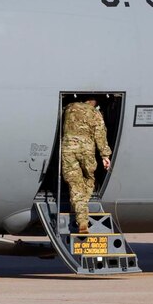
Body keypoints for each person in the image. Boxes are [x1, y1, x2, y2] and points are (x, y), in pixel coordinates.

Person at [61, 96, 112, 234]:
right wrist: (105, 156)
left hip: (68, 148)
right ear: (94, 103)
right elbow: (100, 134)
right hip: (87, 149)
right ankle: (82, 209)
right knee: (89, 180)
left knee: (74, 184)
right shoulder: (95, 113)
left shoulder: (69, 108)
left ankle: (81, 215)